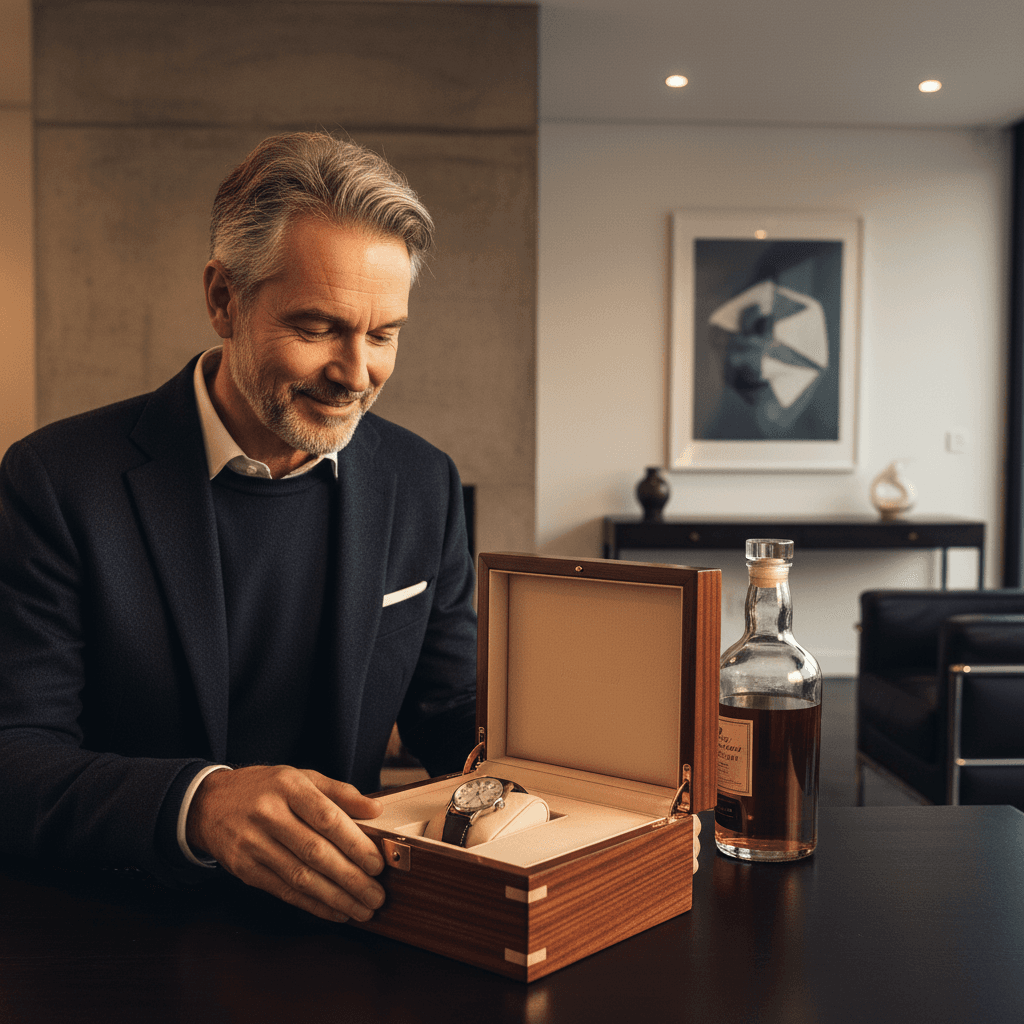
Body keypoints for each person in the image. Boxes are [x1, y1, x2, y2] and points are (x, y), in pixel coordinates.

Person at [0, 132, 478, 926]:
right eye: (319, 326)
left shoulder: (423, 481)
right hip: (116, 934)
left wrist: (586, 789)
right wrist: (198, 804)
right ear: (223, 299)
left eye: (384, 333)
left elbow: (453, 710)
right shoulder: (54, 480)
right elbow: (13, 756)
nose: (357, 374)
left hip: (353, 928)